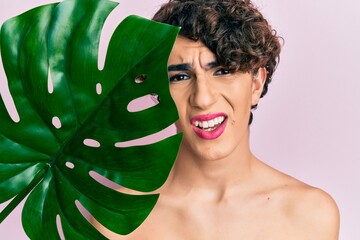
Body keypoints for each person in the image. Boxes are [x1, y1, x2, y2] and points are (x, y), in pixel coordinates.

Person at [95, 0, 340, 239]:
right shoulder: (117, 222)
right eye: (179, 77)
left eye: (222, 71)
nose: (203, 98)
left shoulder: (309, 215)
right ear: (158, 93)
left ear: (256, 82)